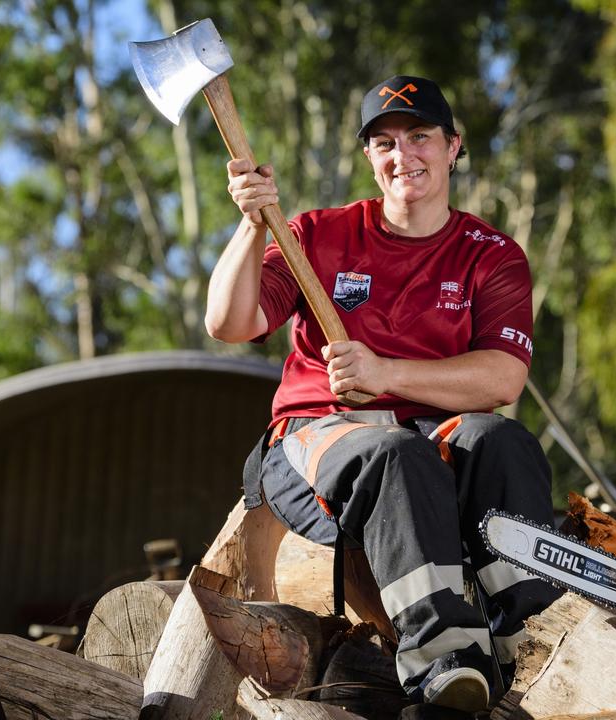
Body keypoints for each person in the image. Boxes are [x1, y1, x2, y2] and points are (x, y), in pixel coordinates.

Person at [205, 75, 560, 712]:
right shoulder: (315, 234)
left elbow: (503, 380)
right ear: (370, 158)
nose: (404, 156)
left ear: (454, 146)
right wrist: (252, 224)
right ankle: (443, 662)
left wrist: (386, 373)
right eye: (385, 143)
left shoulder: (493, 255)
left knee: (499, 440)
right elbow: (230, 323)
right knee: (395, 453)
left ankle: (530, 644)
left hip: (431, 437)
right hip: (319, 439)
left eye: (420, 137)